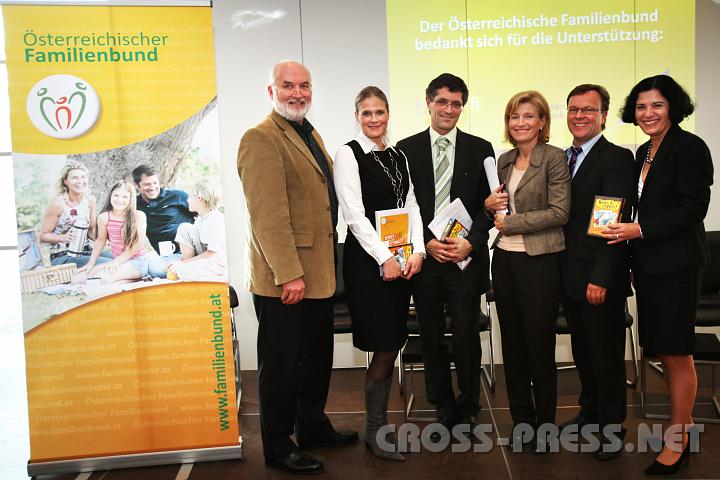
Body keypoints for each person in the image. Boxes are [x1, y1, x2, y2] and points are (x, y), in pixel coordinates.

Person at [236, 60, 357, 475]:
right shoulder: (261, 138)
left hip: (318, 274)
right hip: (285, 279)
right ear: (271, 91)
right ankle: (276, 443)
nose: (297, 92)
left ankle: (312, 425)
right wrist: (289, 273)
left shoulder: (306, 131)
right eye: (288, 85)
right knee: (283, 364)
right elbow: (266, 217)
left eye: (304, 85)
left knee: (315, 356)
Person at [603, 75, 713, 476]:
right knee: (664, 351)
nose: (648, 113)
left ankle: (679, 439)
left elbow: (692, 210)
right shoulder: (643, 152)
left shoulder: (690, 147)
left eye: (657, 105)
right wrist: (629, 246)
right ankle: (679, 428)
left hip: (678, 264)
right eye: (641, 106)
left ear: (673, 107)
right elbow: (635, 209)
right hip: (649, 266)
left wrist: (638, 231)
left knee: (677, 352)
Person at [397, 73, 494, 436]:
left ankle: (469, 402)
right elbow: (401, 208)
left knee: (467, 333)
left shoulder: (481, 148)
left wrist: (472, 240)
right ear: (428, 103)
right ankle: (442, 402)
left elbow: (495, 205)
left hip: (465, 258)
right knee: (431, 334)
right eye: (442, 102)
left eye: (456, 104)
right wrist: (424, 241)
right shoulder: (405, 150)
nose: (449, 109)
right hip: (426, 259)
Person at [334, 86, 425, 461]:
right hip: (368, 263)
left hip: (401, 260)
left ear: (388, 114)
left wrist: (417, 249)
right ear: (357, 116)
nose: (374, 119)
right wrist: (384, 257)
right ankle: (375, 430)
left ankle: (377, 428)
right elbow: (353, 215)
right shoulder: (347, 154)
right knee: (384, 342)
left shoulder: (398, 154)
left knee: (394, 339)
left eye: (380, 112)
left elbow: (412, 206)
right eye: (367, 113)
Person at [484, 90, 570, 452]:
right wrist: (489, 207)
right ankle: (522, 423)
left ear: (542, 122)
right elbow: (497, 211)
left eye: (528, 116)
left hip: (540, 263)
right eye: (514, 116)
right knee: (514, 349)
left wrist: (513, 223)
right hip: (504, 262)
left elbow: (559, 213)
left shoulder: (554, 158)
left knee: (539, 346)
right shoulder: (502, 160)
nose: (520, 122)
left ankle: (546, 425)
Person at [558, 84, 635, 461]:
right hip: (569, 277)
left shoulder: (616, 158)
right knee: (583, 350)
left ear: (603, 115)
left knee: (605, 354)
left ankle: (611, 427)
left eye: (589, 110)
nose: (580, 116)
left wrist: (601, 277)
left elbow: (611, 223)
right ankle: (589, 414)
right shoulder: (562, 158)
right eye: (574, 109)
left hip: (597, 278)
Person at [73, 180, 148, 284]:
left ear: (131, 199)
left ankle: (131, 280)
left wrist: (115, 262)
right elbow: (100, 241)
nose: (119, 200)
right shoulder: (104, 217)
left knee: (102, 279)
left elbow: (136, 245)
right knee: (77, 279)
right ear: (110, 196)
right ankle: (129, 281)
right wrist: (90, 264)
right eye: (116, 195)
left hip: (138, 262)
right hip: (118, 262)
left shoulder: (139, 216)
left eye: (124, 197)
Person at [39, 162, 110, 268]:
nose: (80, 181)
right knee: (109, 264)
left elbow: (91, 230)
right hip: (62, 256)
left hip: (87, 251)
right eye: (75, 178)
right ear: (65, 181)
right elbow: (43, 236)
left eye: (83, 177)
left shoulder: (90, 200)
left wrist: (106, 238)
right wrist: (64, 237)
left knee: (119, 259)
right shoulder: (57, 204)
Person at [132, 164, 195, 278]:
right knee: (154, 268)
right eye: (147, 184)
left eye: (155, 183)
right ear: (136, 185)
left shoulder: (177, 196)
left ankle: (191, 265)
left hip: (192, 249)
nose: (152, 187)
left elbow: (202, 215)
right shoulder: (134, 205)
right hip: (170, 256)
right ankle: (185, 267)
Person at [167, 179, 227, 282]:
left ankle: (187, 270)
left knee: (181, 270)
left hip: (218, 263)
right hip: (206, 259)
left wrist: (184, 264)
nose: (187, 200)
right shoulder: (201, 219)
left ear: (199, 198)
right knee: (184, 227)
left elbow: (213, 254)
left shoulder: (214, 220)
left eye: (190, 196)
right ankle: (187, 267)